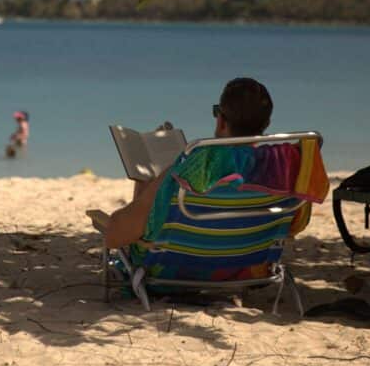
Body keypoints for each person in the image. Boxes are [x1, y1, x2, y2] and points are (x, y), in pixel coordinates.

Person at [104, 78, 273, 249]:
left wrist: (145, 180)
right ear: (266, 124)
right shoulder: (278, 166)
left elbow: (116, 235)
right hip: (251, 264)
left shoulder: (191, 169)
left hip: (175, 267)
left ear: (221, 121)